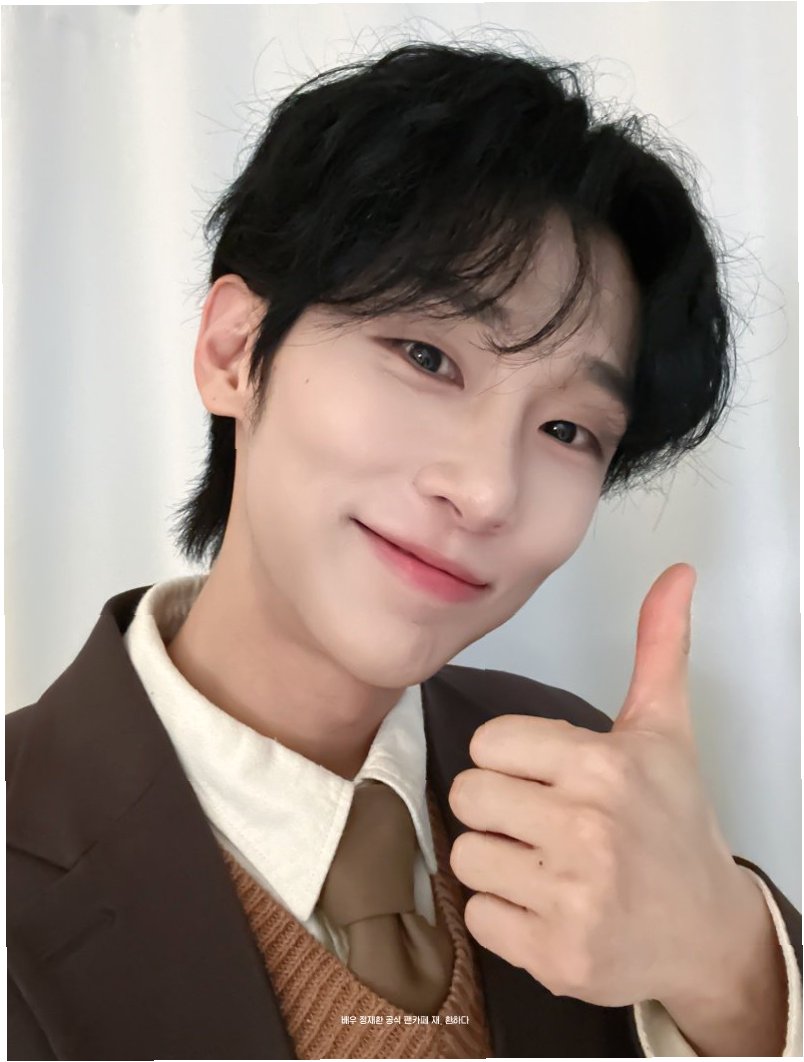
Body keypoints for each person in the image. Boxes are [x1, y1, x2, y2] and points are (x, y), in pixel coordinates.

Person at [6, 40, 801, 1060]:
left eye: (568, 430)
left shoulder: (581, 779)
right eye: (427, 356)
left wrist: (729, 965)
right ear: (235, 352)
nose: (487, 491)